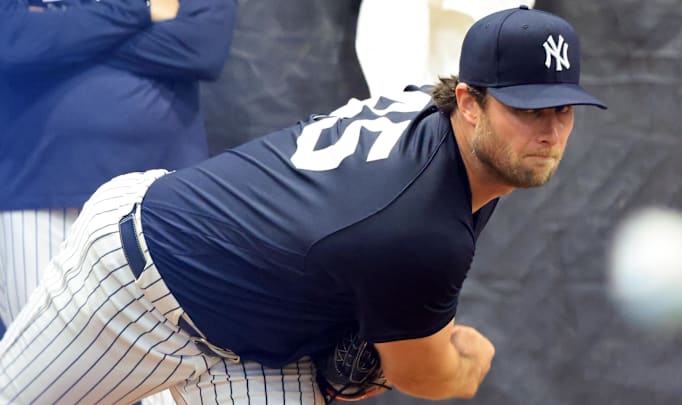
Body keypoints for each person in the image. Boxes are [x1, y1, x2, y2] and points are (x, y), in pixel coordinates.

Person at [0, 6, 605, 404]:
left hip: (256, 348)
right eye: (527, 108)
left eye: (562, 108)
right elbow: (422, 373)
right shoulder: (422, 223)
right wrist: (466, 361)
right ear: (470, 101)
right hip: (138, 281)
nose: (549, 130)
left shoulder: (439, 116)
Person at [0, 0, 236, 331]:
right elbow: (12, 41)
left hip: (159, 194)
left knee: (163, 361)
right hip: (36, 188)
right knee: (35, 362)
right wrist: (140, 11)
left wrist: (64, 36)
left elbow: (204, 45)